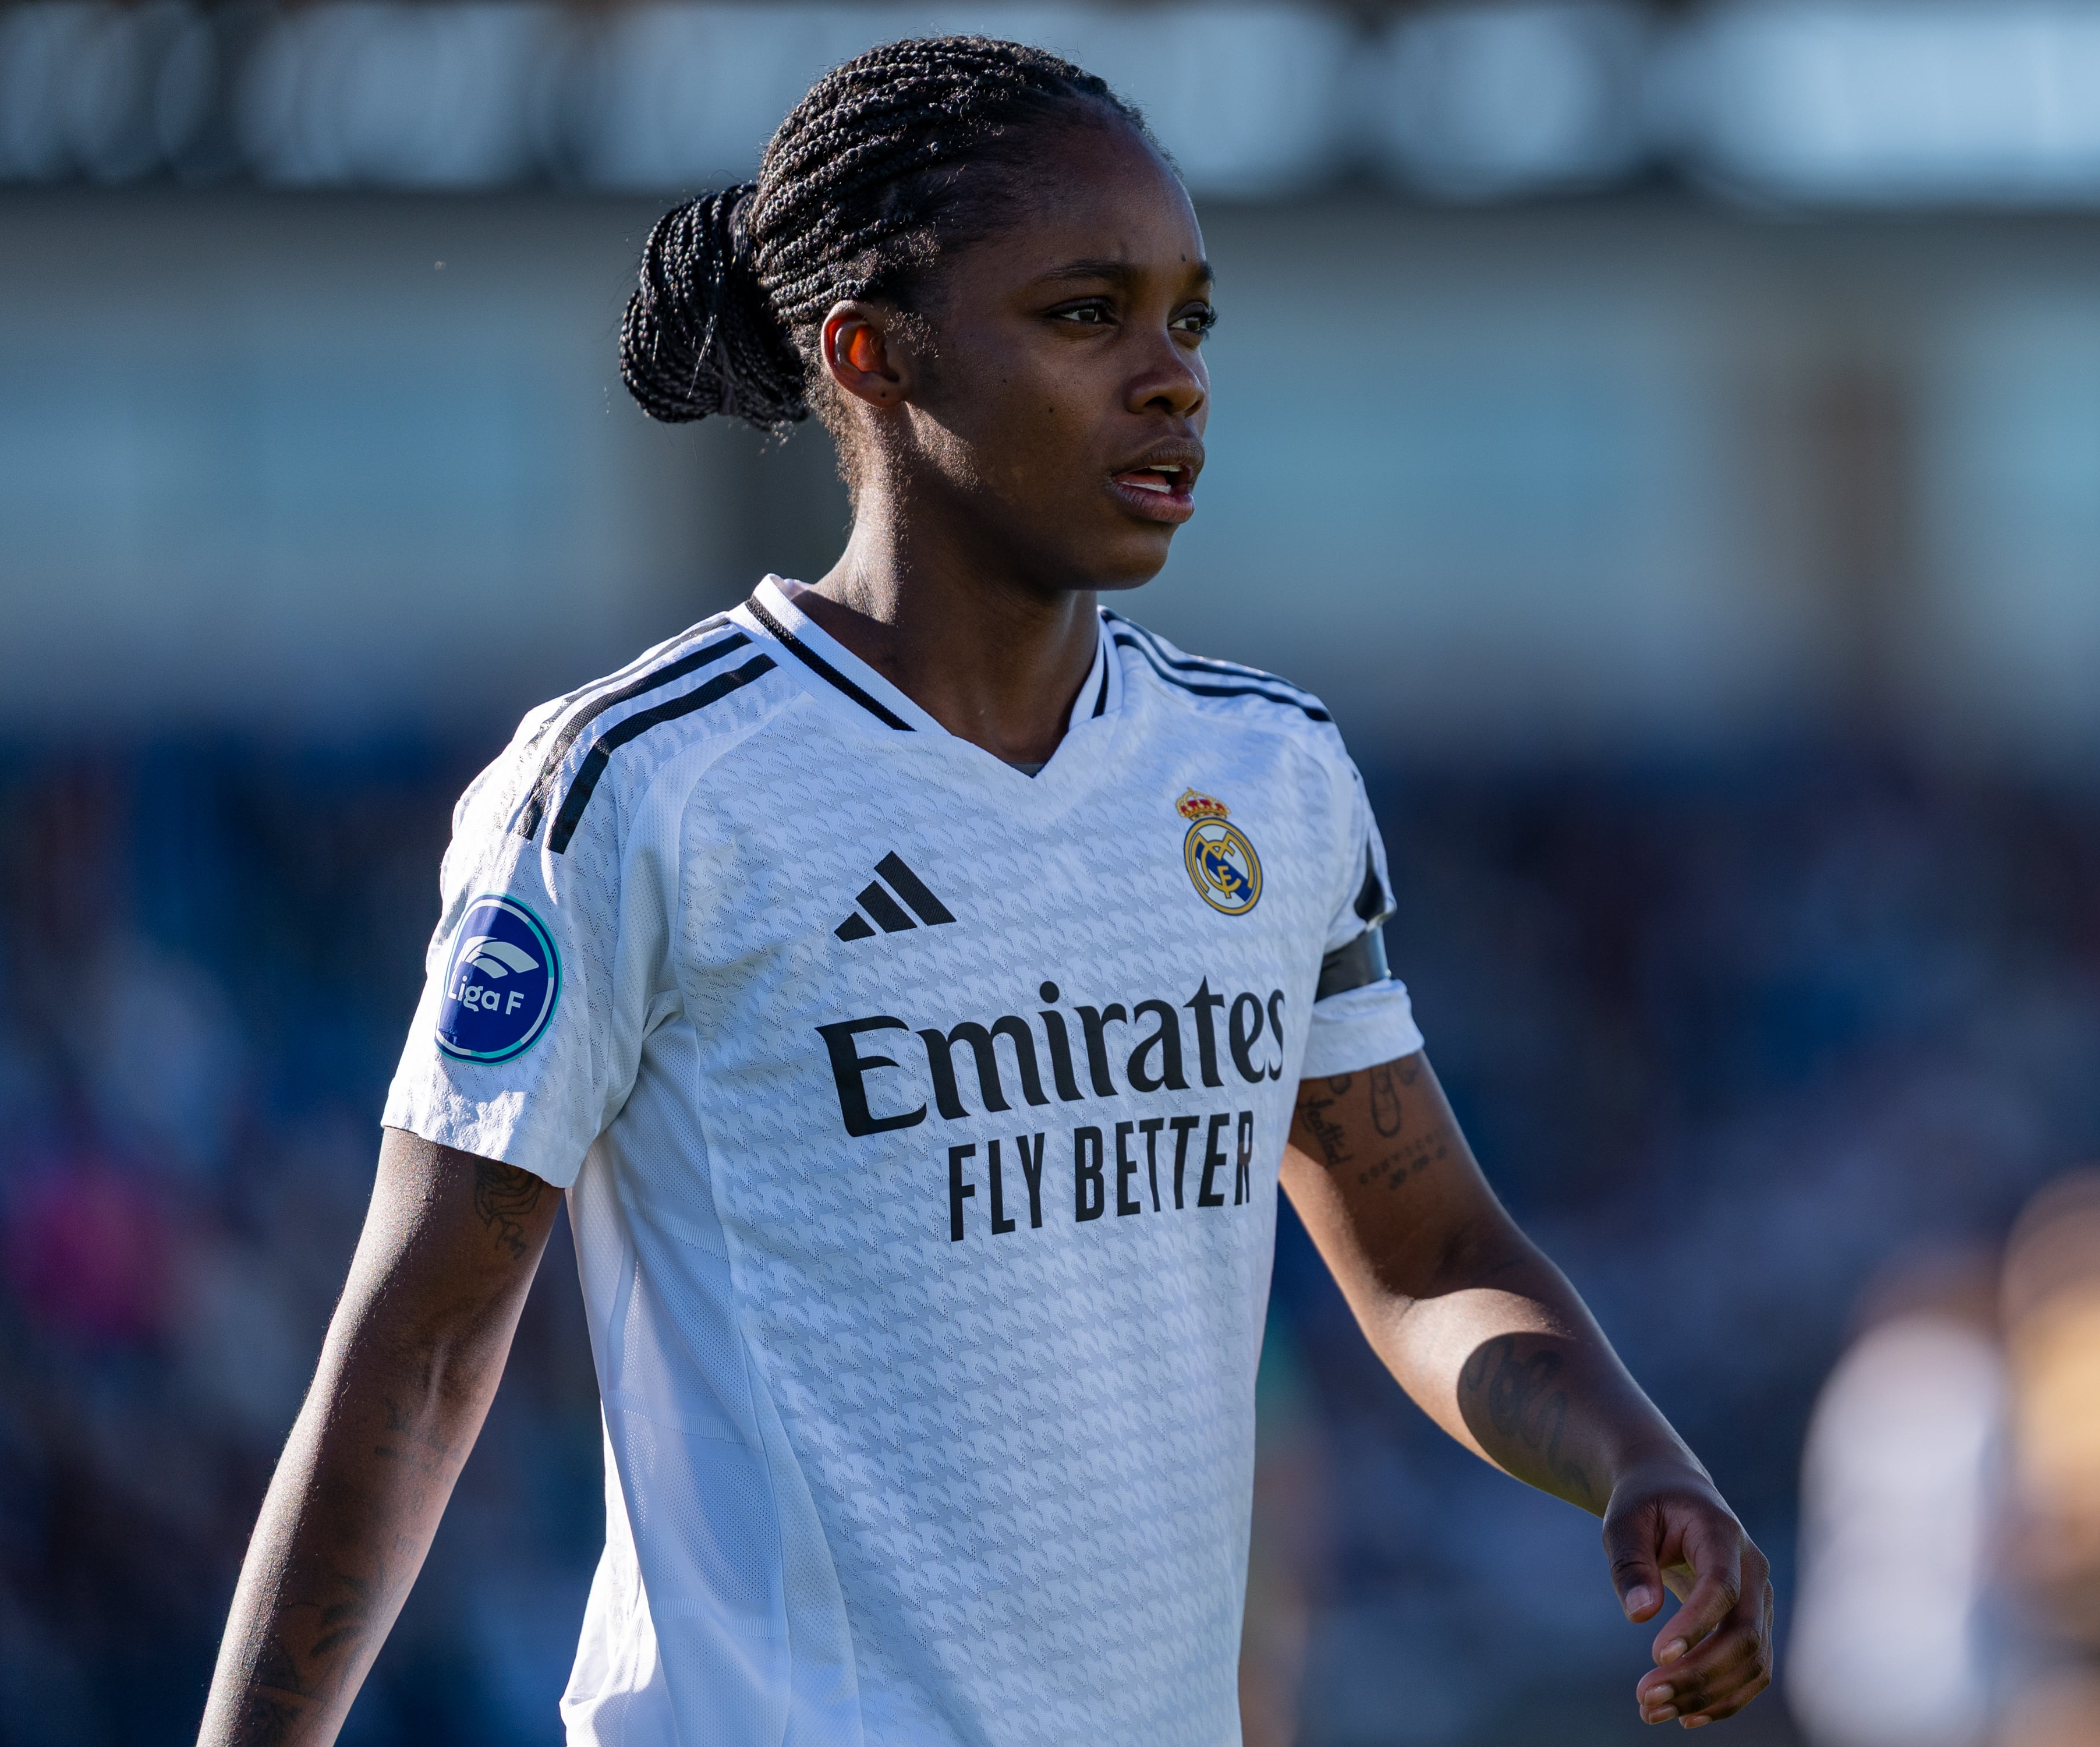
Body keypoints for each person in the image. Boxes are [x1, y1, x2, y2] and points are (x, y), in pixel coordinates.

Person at [196, 36, 1772, 1746]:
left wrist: (1636, 1459)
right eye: (1087, 315)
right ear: (870, 354)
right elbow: (419, 1348)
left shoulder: (1269, 773)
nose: (1171, 380)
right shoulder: (638, 785)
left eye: (1191, 321)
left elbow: (1425, 1251)